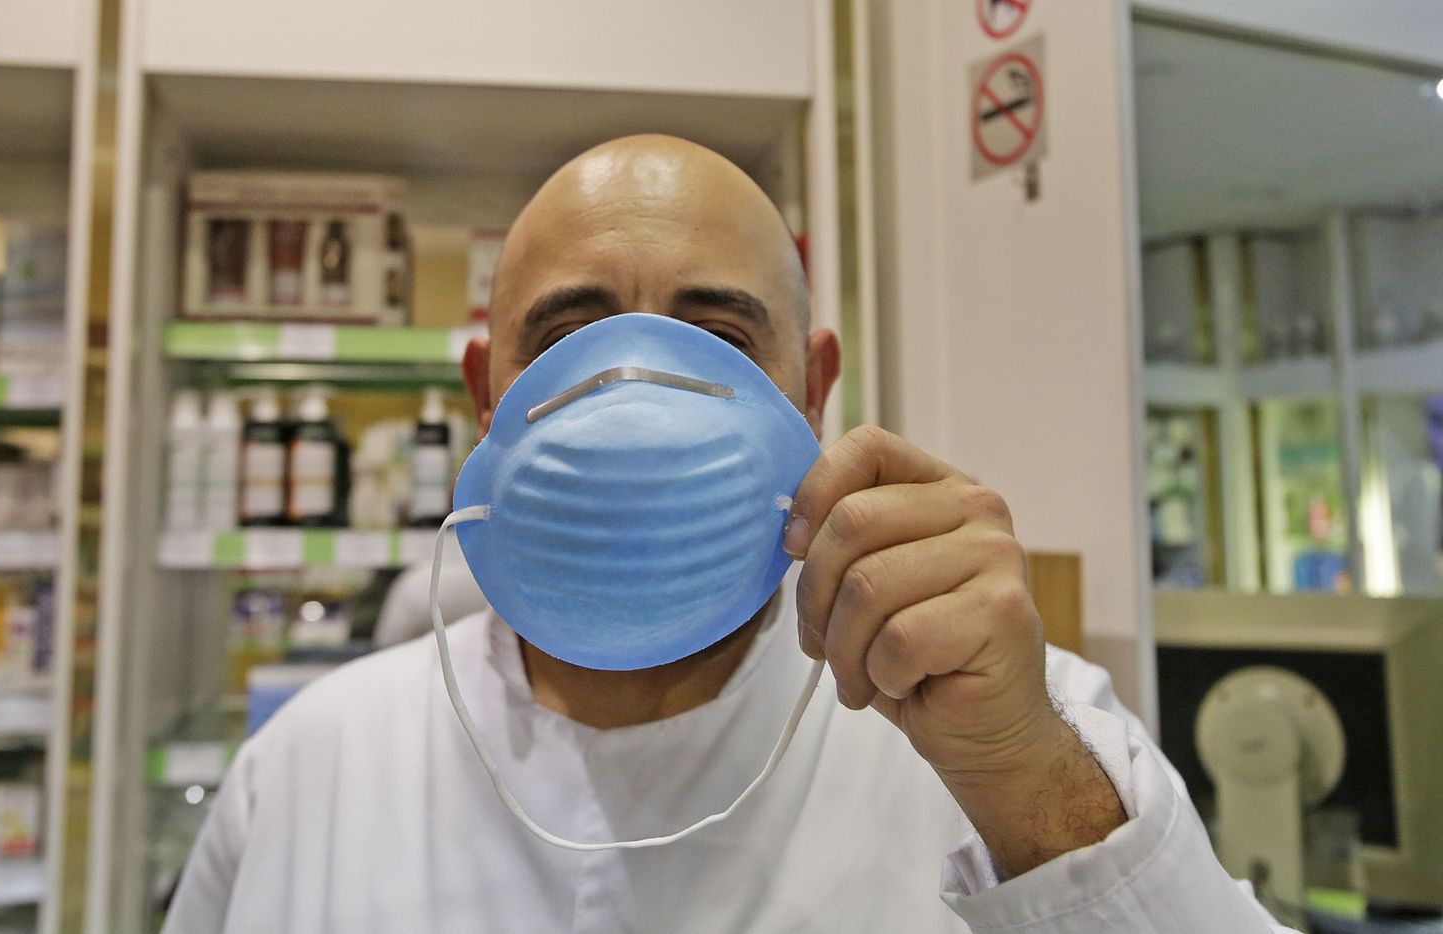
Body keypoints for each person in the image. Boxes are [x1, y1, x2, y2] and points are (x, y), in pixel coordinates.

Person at [165, 135, 1298, 933]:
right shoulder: (309, 771)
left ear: (809, 390)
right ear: (486, 391)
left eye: (714, 333)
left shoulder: (1015, 732)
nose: (635, 397)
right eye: (571, 335)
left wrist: (1022, 782)